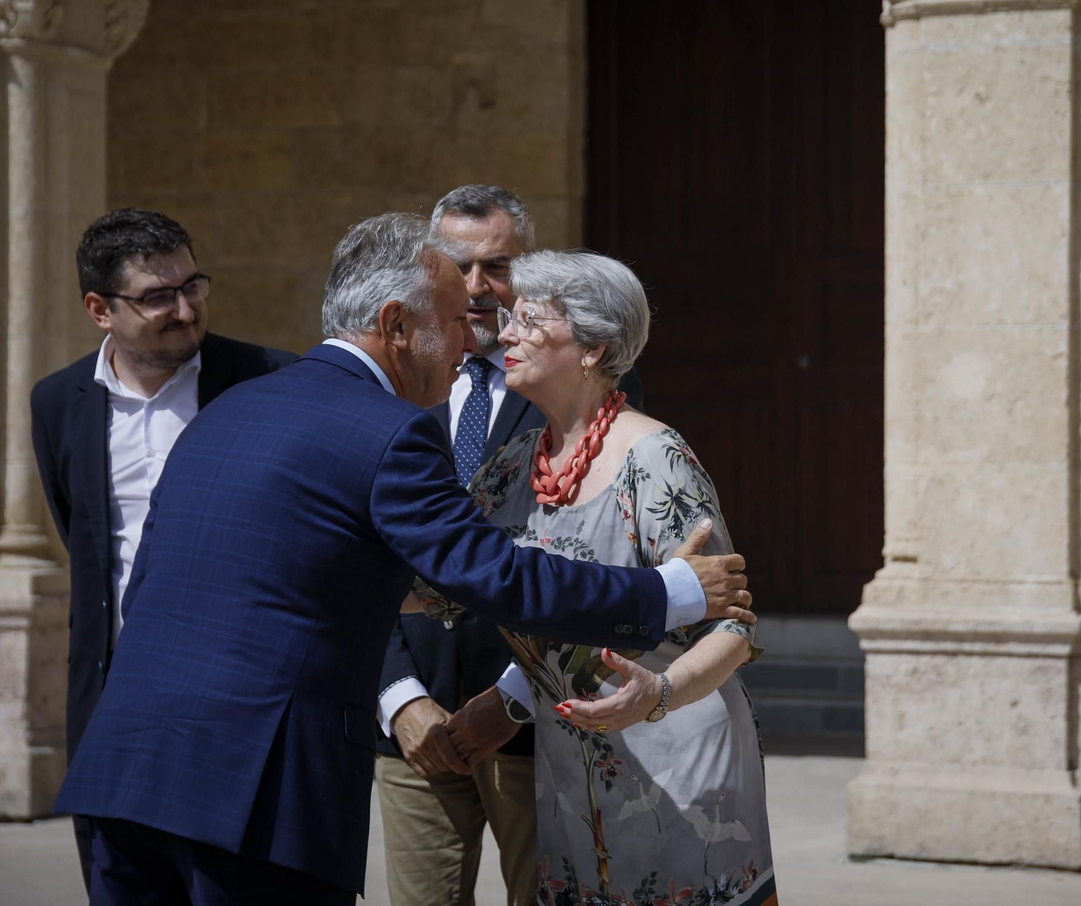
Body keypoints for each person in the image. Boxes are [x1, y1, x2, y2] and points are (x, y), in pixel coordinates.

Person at [53, 213, 754, 906]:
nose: (472, 340)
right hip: (251, 793)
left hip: (123, 773)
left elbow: (187, 585)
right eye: (453, 321)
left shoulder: (227, 411)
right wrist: (668, 593)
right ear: (394, 326)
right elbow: (493, 574)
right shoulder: (390, 433)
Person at [421, 251, 776, 906]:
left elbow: (735, 628)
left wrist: (661, 690)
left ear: (593, 349)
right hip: (571, 774)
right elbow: (440, 577)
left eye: (529, 320)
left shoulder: (657, 459)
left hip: (680, 765)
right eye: (511, 319)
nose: (506, 335)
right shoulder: (512, 466)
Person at [375, 184, 644, 906]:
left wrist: (513, 699)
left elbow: (605, 551)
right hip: (413, 721)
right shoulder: (393, 376)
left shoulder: (576, 385)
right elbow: (358, 550)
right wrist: (398, 697)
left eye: (497, 267)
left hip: (537, 721)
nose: (476, 288)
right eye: (456, 266)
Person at [29, 208, 293, 889]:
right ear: (99, 309)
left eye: (192, 285)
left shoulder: (264, 383)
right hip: (113, 706)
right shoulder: (58, 402)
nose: (184, 308)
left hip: (235, 707)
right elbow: (82, 536)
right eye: (157, 296)